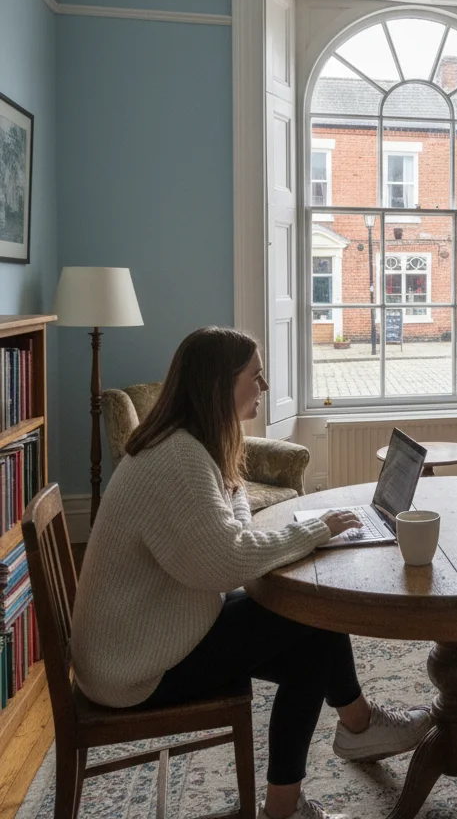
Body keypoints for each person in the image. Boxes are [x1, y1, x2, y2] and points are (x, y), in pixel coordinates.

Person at [70, 327, 432, 819]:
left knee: (309, 634)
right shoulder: (178, 457)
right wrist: (311, 533)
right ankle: (355, 731)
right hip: (134, 668)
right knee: (311, 615)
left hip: (141, 640)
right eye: (255, 378)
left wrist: (253, 504)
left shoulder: (190, 445)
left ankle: (317, 771)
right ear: (221, 385)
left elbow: (232, 516)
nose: (263, 387)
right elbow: (226, 563)